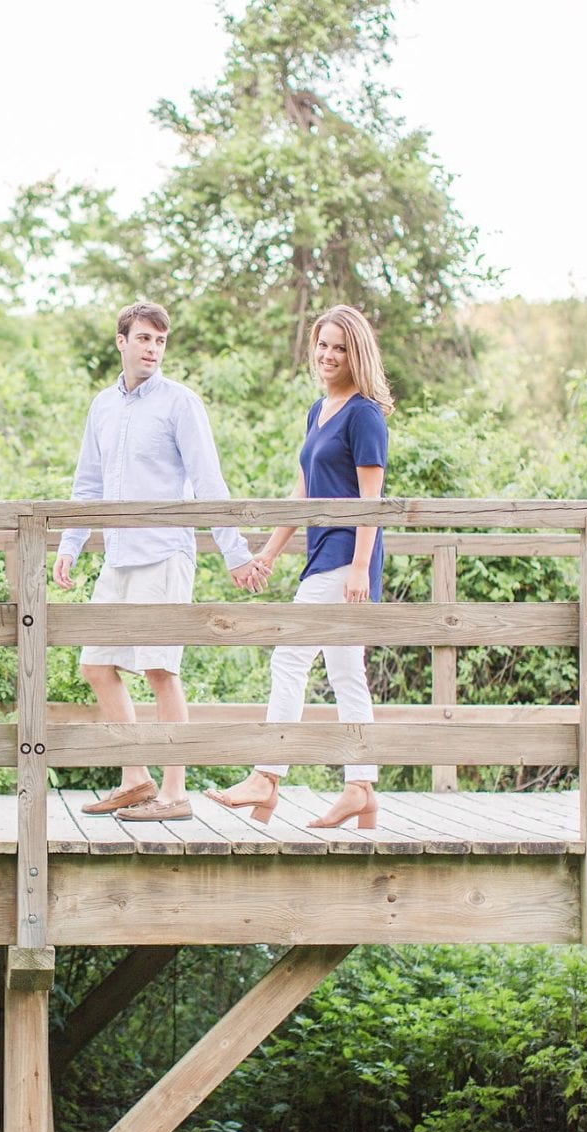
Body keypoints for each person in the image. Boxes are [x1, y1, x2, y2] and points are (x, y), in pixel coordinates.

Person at [53, 300, 269, 822]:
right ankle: (136, 778)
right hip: (120, 557)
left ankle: (175, 792)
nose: (152, 349)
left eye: (160, 341)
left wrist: (235, 553)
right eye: (144, 338)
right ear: (122, 342)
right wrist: (70, 542)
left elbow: (208, 482)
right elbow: (89, 484)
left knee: (159, 668)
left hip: (165, 554)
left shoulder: (180, 403)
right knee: (96, 664)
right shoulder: (102, 406)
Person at [204, 304, 391, 829]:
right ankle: (361, 788)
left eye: (340, 347)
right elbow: (305, 488)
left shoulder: (364, 414)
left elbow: (371, 501)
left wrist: (359, 569)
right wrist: (269, 549)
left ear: (357, 353)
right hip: (319, 552)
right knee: (346, 672)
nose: (329, 355)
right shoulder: (320, 410)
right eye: (323, 345)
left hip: (345, 556)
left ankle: (267, 777)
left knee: (289, 658)